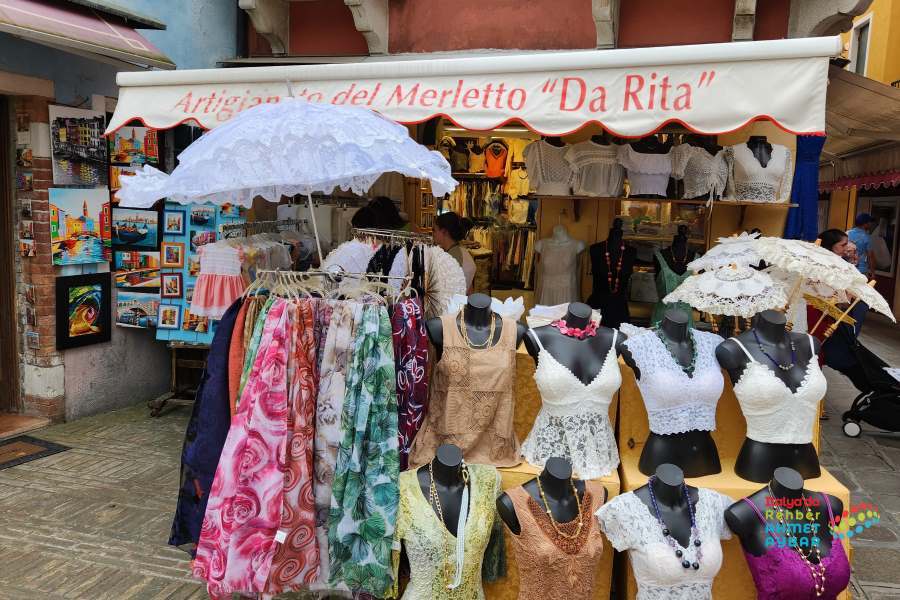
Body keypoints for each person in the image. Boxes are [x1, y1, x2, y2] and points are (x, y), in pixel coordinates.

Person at [808, 229, 871, 416]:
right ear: (831, 246)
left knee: (818, 355)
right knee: (815, 354)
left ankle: (816, 401)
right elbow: (836, 296)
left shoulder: (838, 263)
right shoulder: (824, 265)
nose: (847, 248)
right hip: (817, 311)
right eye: (843, 245)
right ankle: (815, 404)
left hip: (825, 311)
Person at [433, 212, 475, 294]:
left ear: (444, 232)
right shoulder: (463, 252)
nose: (433, 234)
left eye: (434, 230)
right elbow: (470, 290)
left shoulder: (451, 258)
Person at [847, 213, 875, 335]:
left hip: (847, 270)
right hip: (861, 271)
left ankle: (843, 324)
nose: (870, 224)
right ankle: (854, 330)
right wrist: (872, 272)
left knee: (846, 296)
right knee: (860, 301)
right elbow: (870, 256)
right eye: (869, 222)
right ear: (865, 224)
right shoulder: (867, 238)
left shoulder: (847, 233)